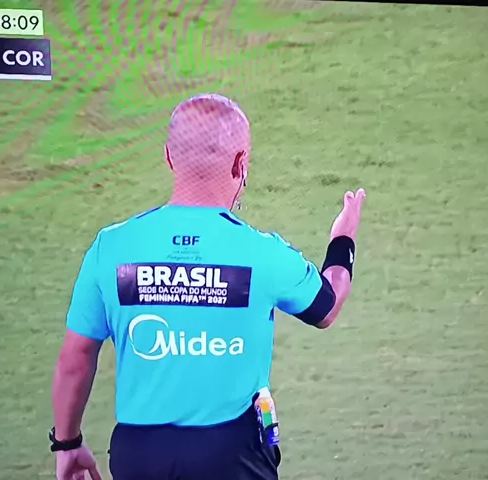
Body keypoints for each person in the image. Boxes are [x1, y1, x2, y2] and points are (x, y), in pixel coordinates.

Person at [49, 93, 367, 480]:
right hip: (232, 456)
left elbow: (76, 358)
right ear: (240, 163)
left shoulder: (110, 248)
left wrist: (67, 444)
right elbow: (327, 306)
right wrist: (343, 239)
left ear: (169, 156)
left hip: (139, 454)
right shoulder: (263, 253)